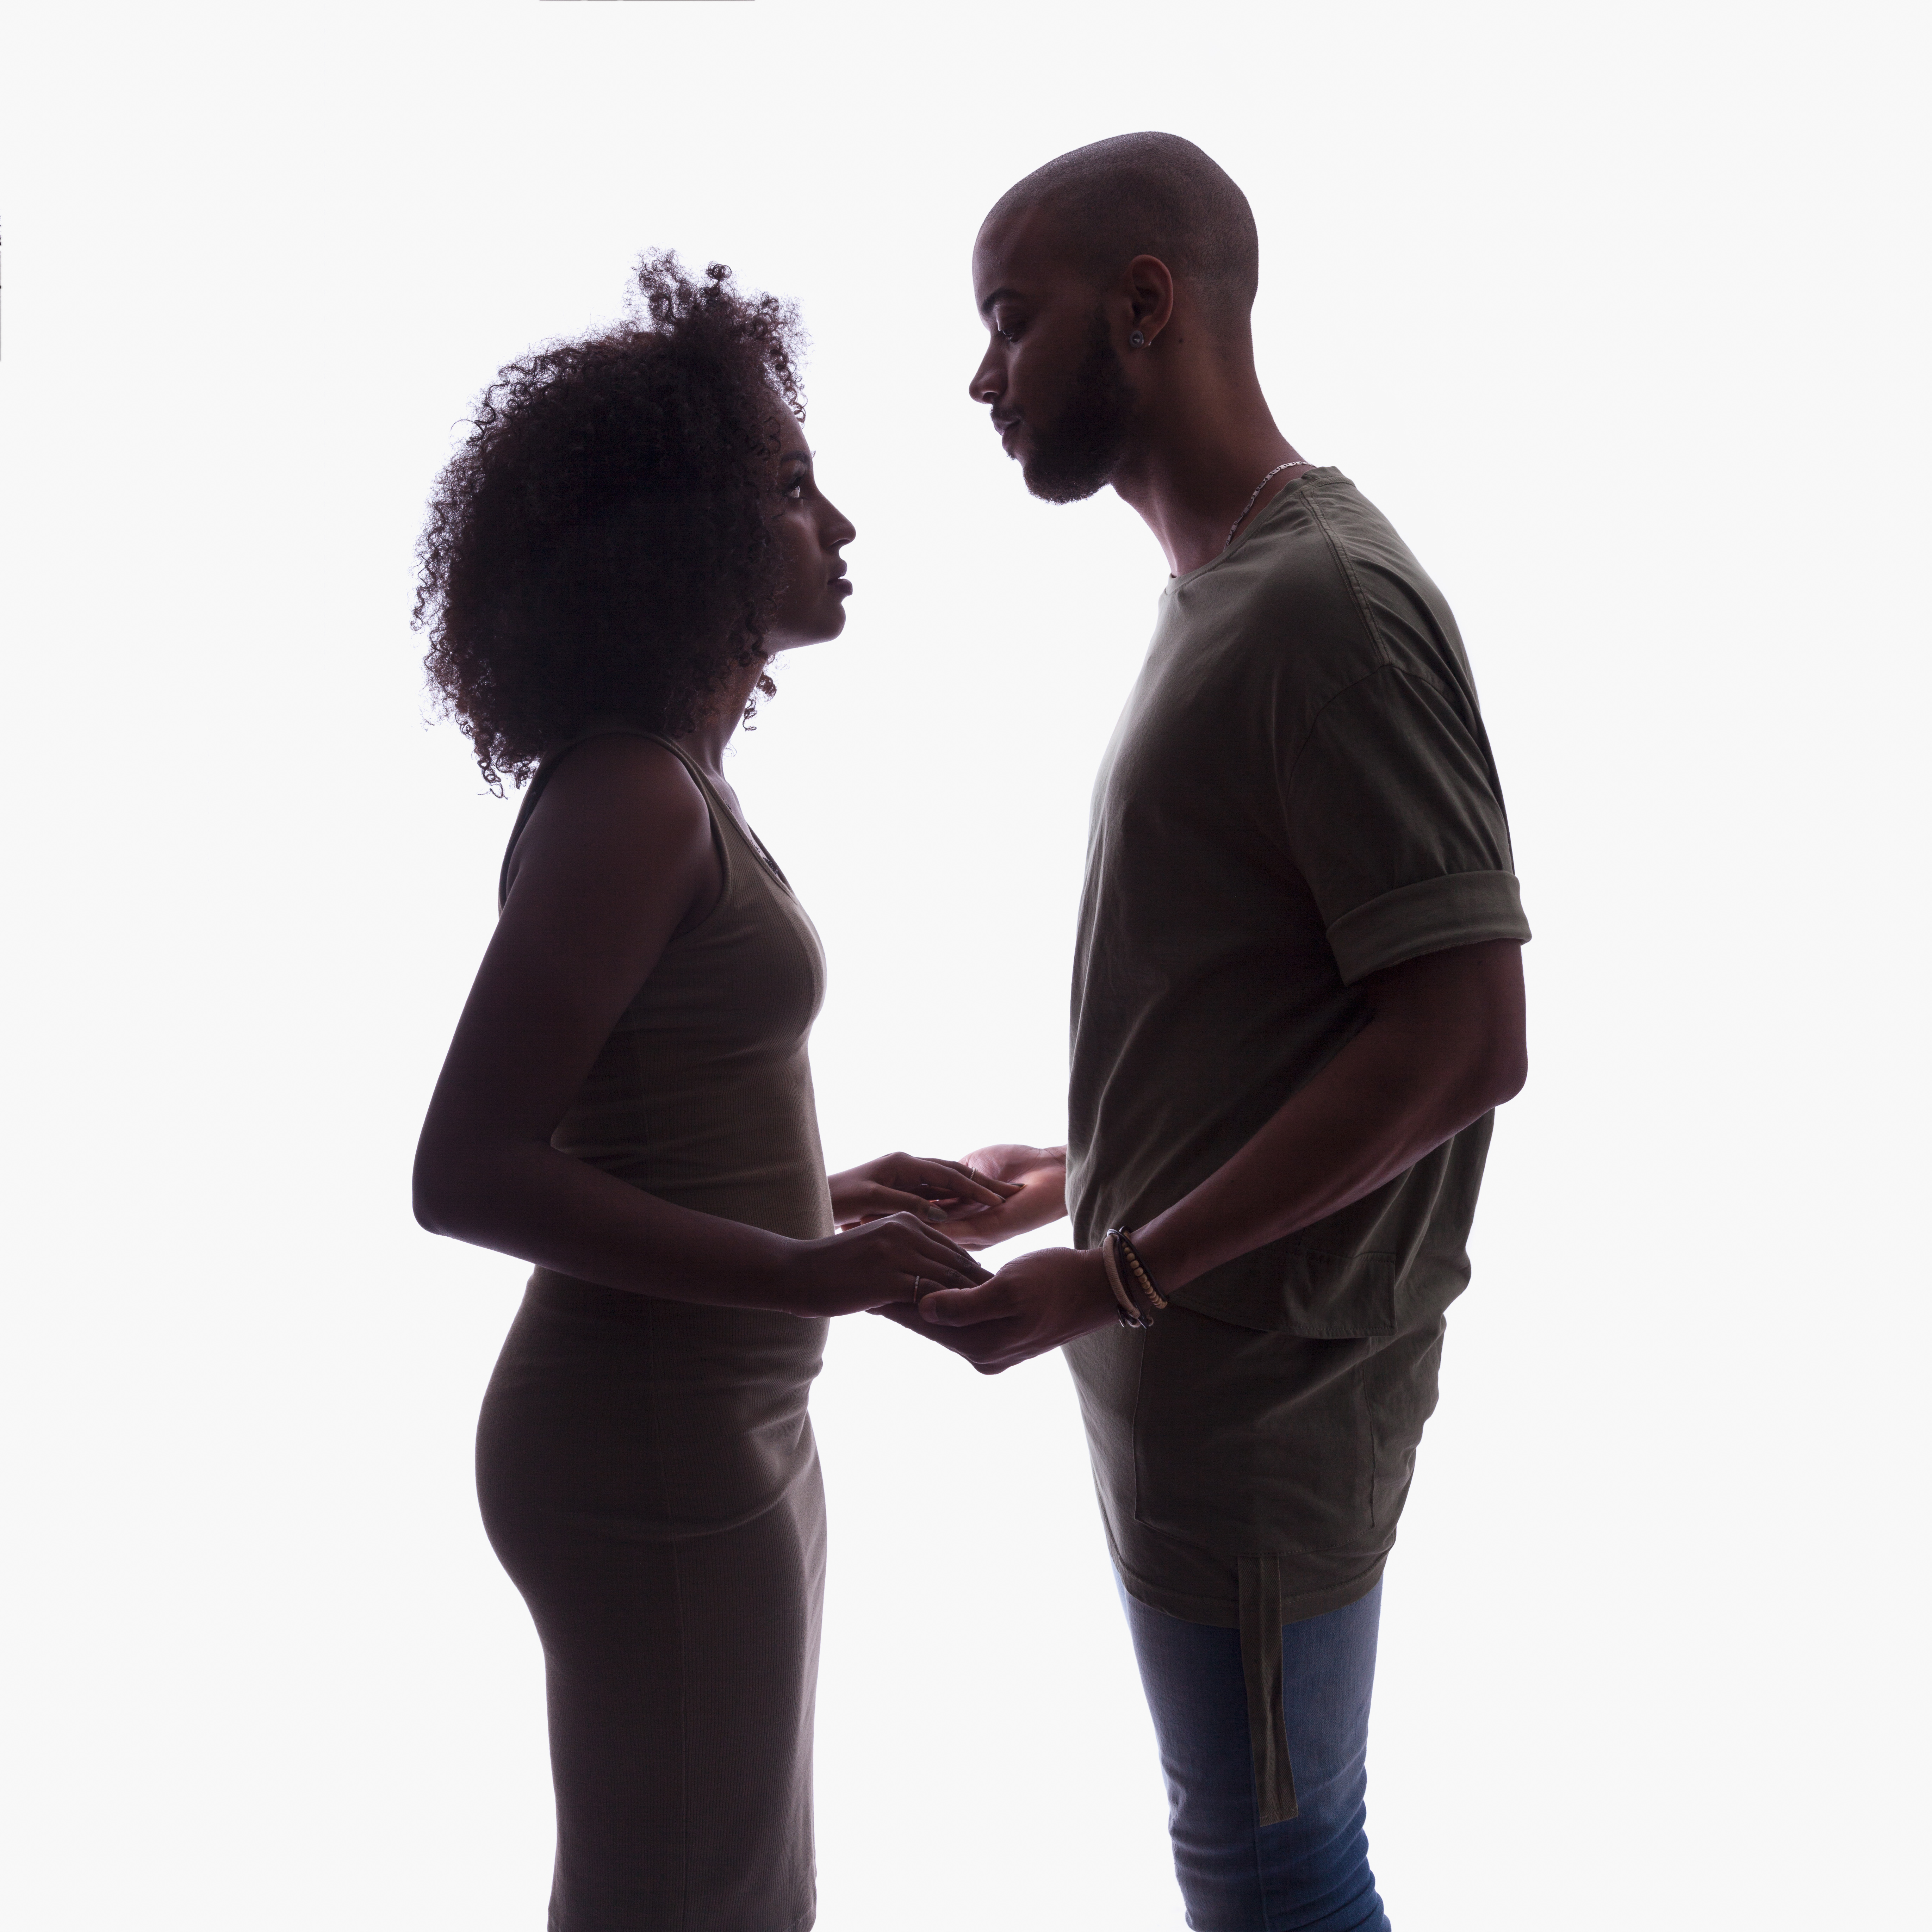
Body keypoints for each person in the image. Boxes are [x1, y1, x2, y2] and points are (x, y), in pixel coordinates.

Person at [891, 136, 1532, 1931]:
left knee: (1273, 1868)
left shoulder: (1324, 607)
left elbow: (1464, 1038)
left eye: (1012, 321)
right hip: (1197, 1393)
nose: (981, 374)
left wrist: (1119, 1274)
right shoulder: (1227, 598)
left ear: (1147, 306)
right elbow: (1270, 1015)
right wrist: (1070, 1181)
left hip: (1262, 1411)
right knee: (1250, 1845)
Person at [409, 254, 1011, 1932]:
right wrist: (794, 1268)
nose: (841, 524)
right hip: (644, 1441)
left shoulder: (675, 787)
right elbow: (465, 1170)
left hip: (719, 1419)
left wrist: (827, 1200)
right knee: (688, 1903)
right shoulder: (630, 801)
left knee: (723, 1892)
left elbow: (641, 1120)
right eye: (791, 489)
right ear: (682, 537)